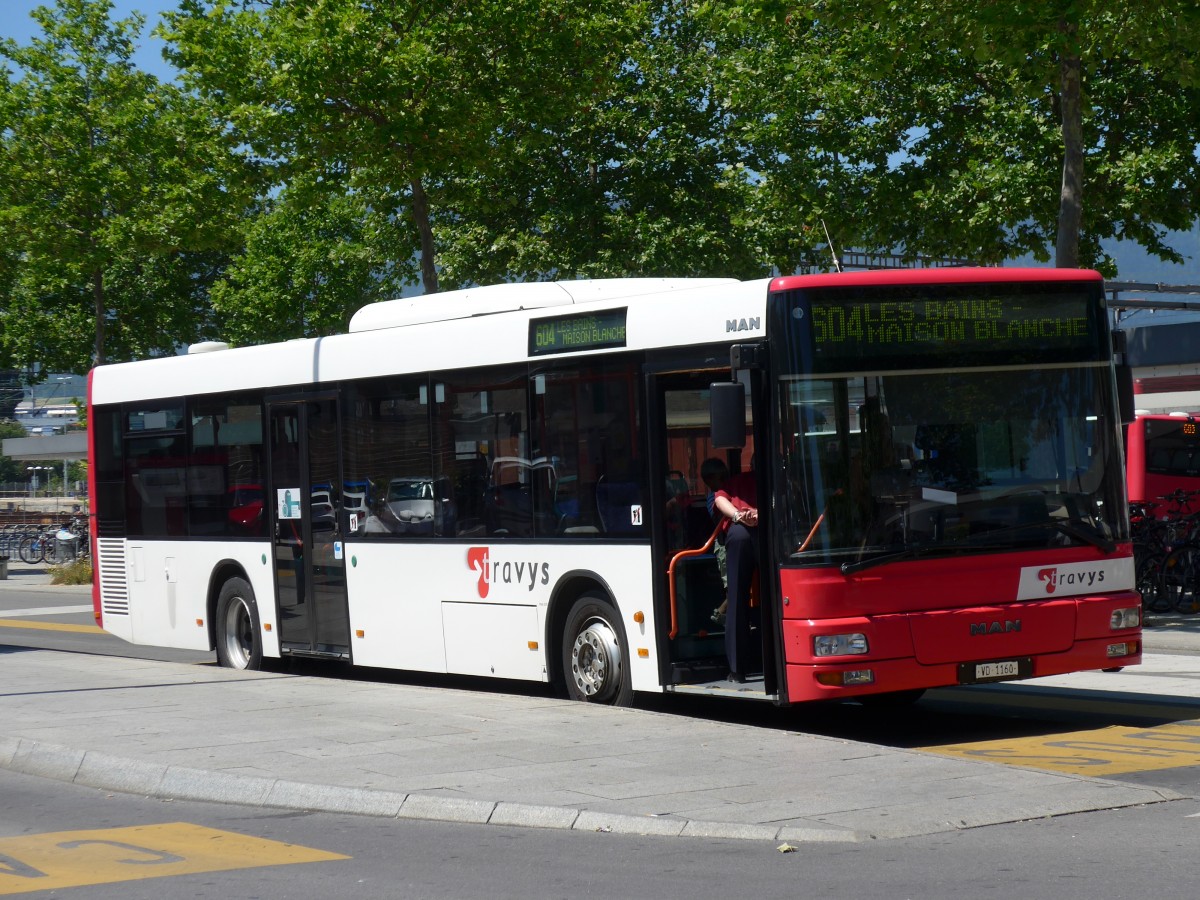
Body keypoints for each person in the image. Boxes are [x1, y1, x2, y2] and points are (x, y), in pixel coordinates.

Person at [701, 456, 759, 683]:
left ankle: (737, 669)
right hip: (760, 532)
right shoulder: (778, 478)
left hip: (738, 533)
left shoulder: (737, 482)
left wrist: (738, 516)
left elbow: (719, 501)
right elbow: (719, 500)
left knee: (735, 598)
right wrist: (750, 515)